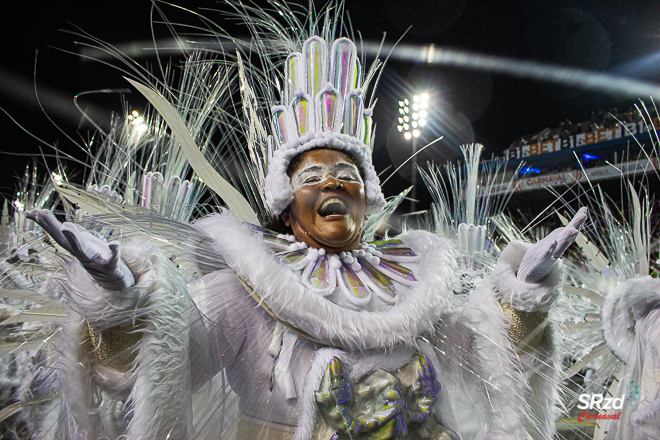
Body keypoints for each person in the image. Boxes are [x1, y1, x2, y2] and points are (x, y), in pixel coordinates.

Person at [18, 7, 588, 440]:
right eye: (314, 176)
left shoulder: (417, 285)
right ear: (286, 203)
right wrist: (120, 296)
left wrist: (522, 294)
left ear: (367, 195)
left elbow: (482, 357)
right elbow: (156, 364)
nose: (335, 183)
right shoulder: (244, 288)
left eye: (348, 173)